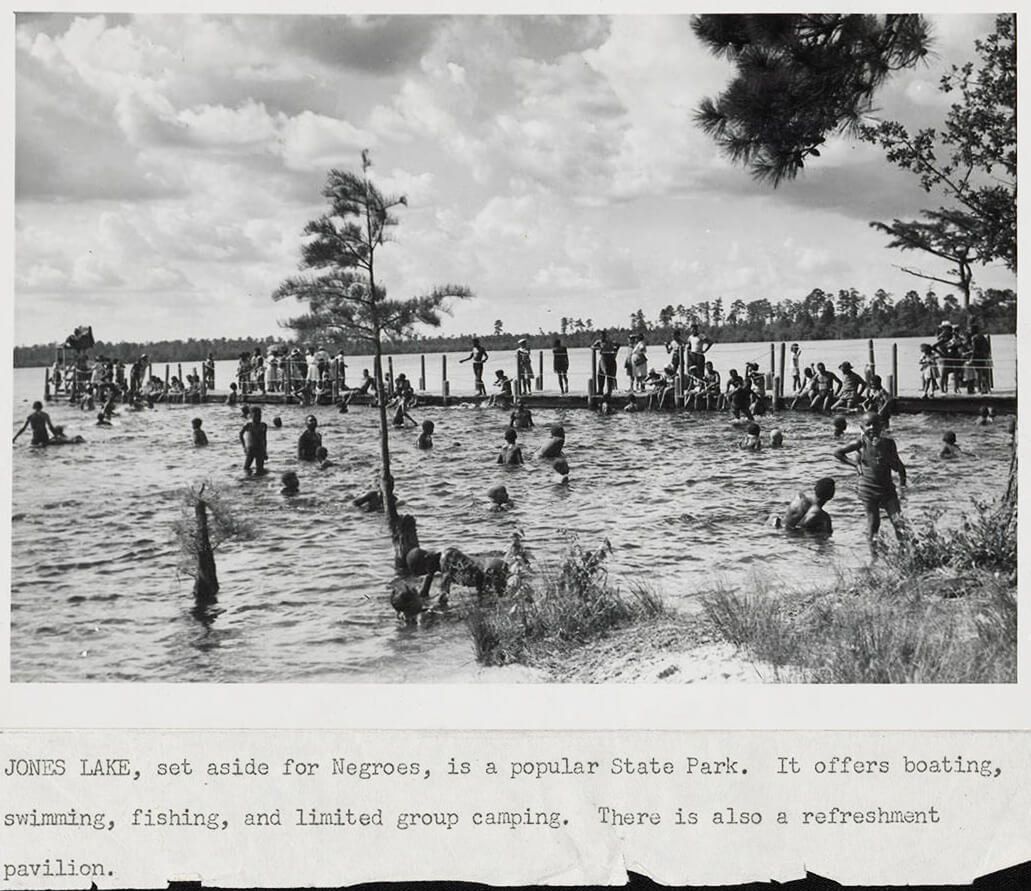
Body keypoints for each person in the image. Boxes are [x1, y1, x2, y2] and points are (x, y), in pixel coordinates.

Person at [834, 411, 908, 547]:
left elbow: (899, 467)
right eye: (868, 425)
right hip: (868, 489)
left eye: (875, 424)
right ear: (862, 428)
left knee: (898, 520)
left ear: (882, 427)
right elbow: (838, 453)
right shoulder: (861, 443)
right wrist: (855, 465)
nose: (872, 428)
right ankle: (873, 554)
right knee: (874, 523)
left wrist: (902, 487)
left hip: (887, 488)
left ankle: (905, 550)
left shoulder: (889, 444)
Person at [239, 406, 268, 475]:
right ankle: (249, 481)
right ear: (251, 416)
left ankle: (258, 483)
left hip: (260, 449)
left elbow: (264, 439)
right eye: (256, 416)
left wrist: (265, 451)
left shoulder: (263, 425)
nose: (258, 418)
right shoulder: (248, 425)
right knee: (246, 467)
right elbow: (240, 435)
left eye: (259, 415)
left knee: (260, 469)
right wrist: (244, 447)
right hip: (251, 449)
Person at [591, 331, 619, 399]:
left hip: (610, 357)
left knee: (609, 375)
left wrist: (615, 351)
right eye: (601, 336)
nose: (602, 337)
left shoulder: (610, 342)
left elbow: (618, 345)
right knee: (600, 374)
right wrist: (596, 348)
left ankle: (609, 391)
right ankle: (600, 390)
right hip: (603, 358)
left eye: (604, 336)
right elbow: (592, 346)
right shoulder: (599, 342)